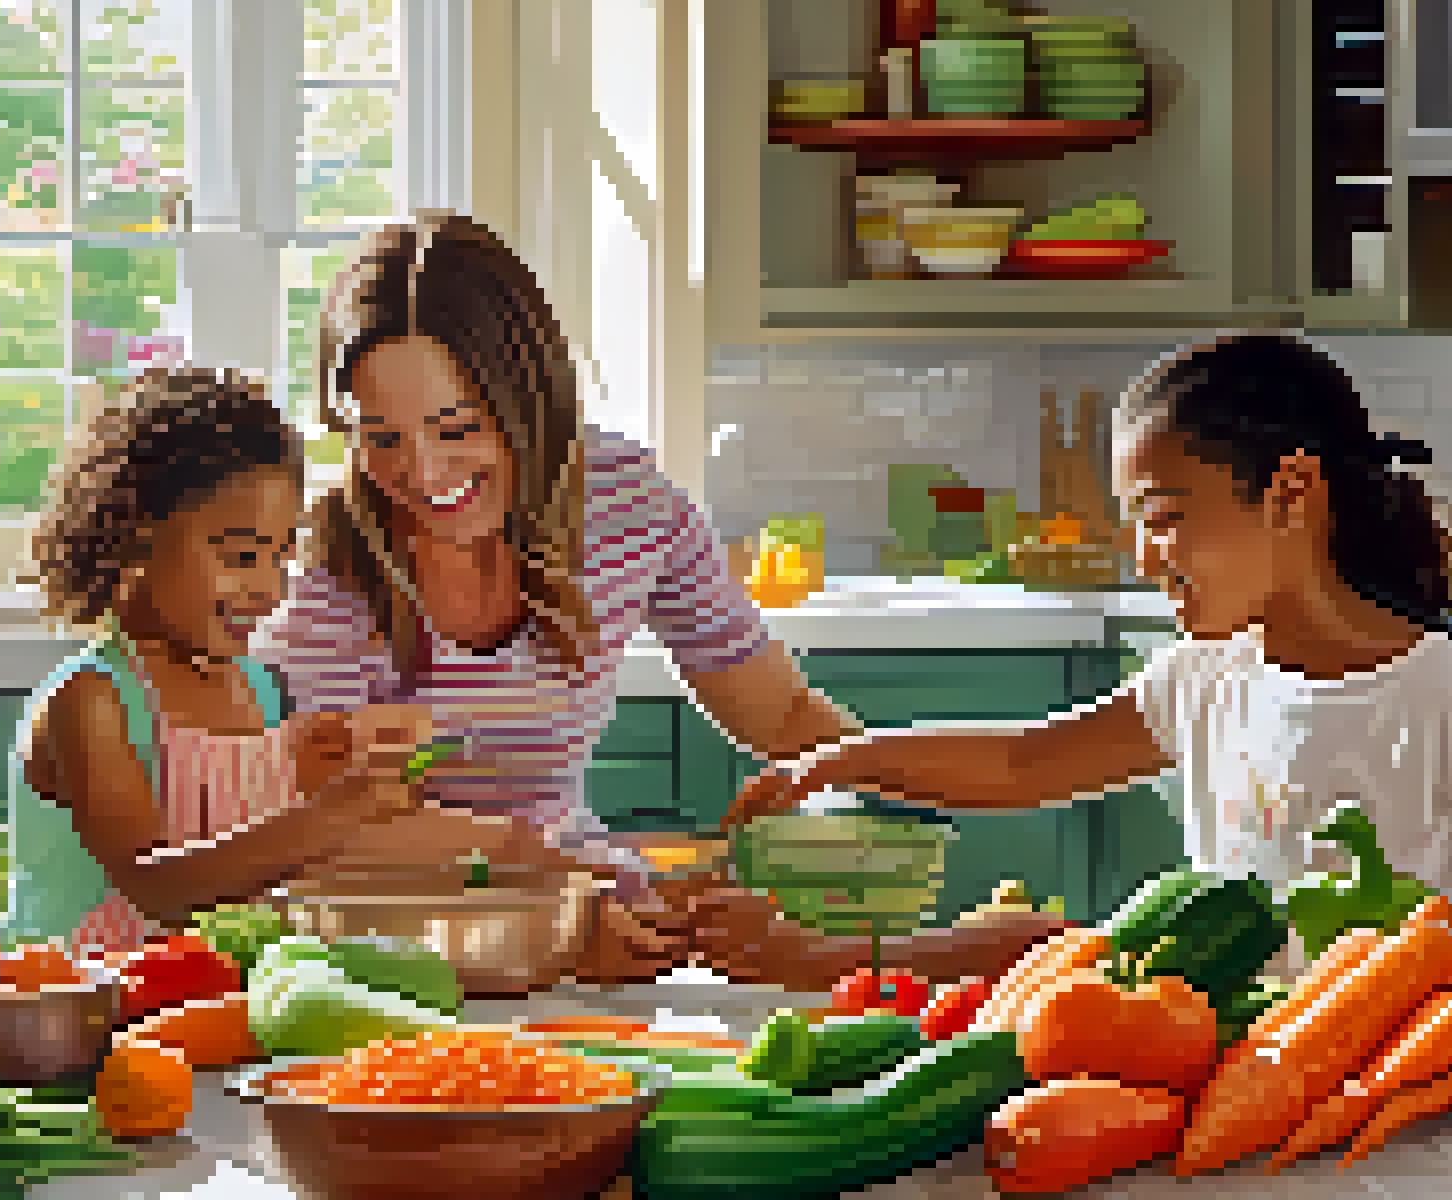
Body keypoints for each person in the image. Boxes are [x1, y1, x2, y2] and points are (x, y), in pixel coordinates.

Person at [723, 332, 1452, 1015]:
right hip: (1214, 1062)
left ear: (1291, 492)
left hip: (1380, 1086)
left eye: (1164, 515)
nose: (1143, 553)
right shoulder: (1204, 677)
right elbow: (1024, 765)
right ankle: (807, 960)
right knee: (1035, 946)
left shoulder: (1449, 698)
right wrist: (845, 762)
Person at [256, 210, 1071, 986]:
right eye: (382, 437)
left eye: (458, 427)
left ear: (531, 399)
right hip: (395, 941)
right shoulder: (323, 570)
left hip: (581, 901)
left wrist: (875, 795)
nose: (424, 473)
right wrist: (558, 908)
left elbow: (781, 715)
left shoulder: (626, 507)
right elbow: (337, 837)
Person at [0, 367, 433, 952]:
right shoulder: (93, 702)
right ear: (137, 533)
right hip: (73, 1005)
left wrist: (355, 785)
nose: (269, 588)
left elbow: (263, 861)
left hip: (213, 997)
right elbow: (156, 885)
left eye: (282, 557)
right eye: (241, 555)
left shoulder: (263, 692)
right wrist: (324, 819)